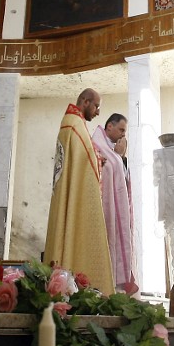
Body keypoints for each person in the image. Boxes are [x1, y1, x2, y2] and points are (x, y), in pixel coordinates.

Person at [43, 88, 114, 295]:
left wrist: (95, 157)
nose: (98, 112)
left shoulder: (70, 123)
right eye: (96, 106)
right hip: (75, 197)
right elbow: (85, 161)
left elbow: (81, 159)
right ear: (85, 102)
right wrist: (98, 161)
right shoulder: (75, 126)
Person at [91, 113, 137, 295]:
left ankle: (116, 284)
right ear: (109, 126)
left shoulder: (113, 149)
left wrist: (121, 158)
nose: (123, 135)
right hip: (103, 210)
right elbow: (103, 171)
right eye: (121, 130)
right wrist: (118, 157)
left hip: (115, 209)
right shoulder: (95, 145)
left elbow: (122, 176)